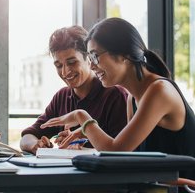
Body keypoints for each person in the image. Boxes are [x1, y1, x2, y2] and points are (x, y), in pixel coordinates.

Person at [41, 17, 195, 181]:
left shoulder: (159, 91)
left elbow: (115, 152)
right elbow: (127, 157)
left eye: (94, 56)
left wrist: (82, 118)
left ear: (123, 55)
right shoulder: (132, 99)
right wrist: (87, 133)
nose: (92, 66)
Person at [20, 25, 128, 154]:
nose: (65, 72)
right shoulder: (62, 97)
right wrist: (35, 145)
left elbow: (120, 152)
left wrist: (80, 148)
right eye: (59, 66)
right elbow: (27, 136)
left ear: (89, 59)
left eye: (72, 62)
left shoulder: (115, 95)